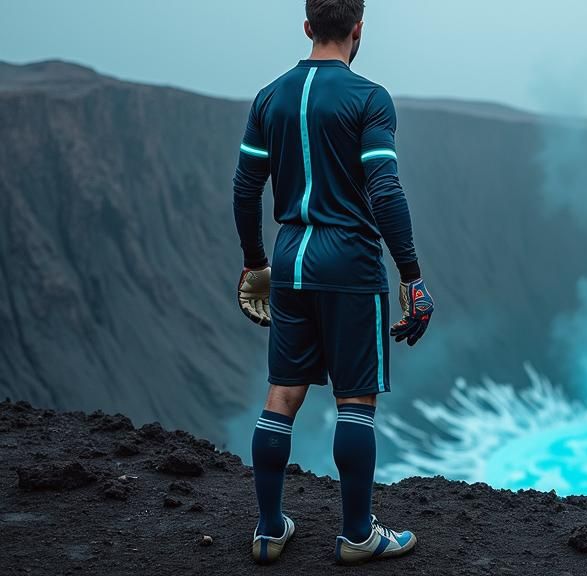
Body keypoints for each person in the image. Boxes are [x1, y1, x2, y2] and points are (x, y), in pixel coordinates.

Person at [232, 0, 434, 565]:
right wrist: (412, 276)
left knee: (283, 395)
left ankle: (270, 530)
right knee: (355, 400)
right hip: (349, 263)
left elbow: (246, 190)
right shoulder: (370, 99)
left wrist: (254, 262)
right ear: (358, 28)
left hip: (291, 257)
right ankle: (357, 536)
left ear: (306, 27)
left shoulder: (269, 97)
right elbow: (386, 192)